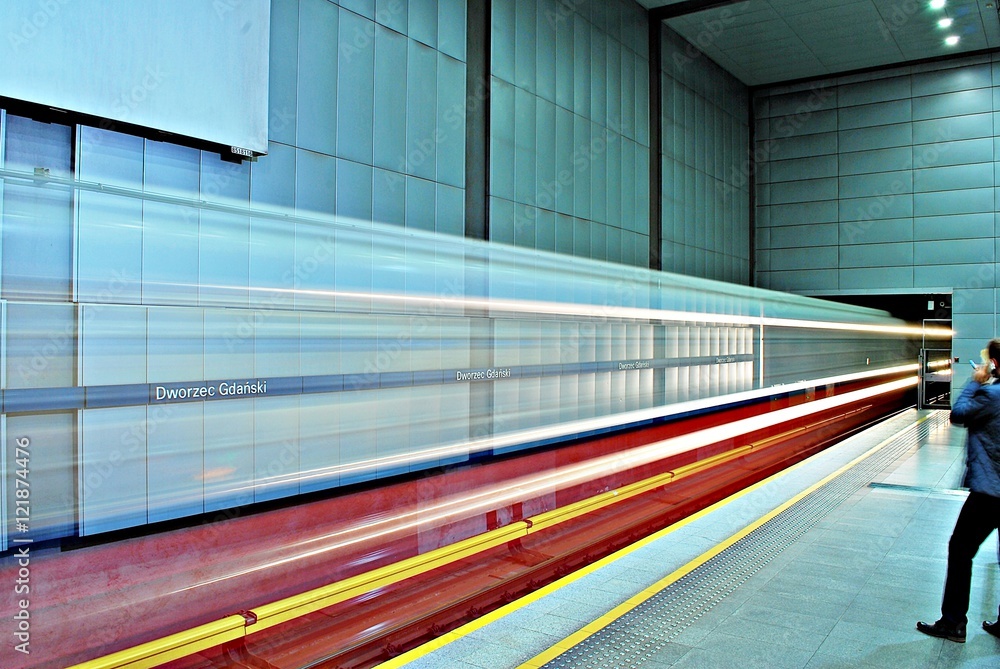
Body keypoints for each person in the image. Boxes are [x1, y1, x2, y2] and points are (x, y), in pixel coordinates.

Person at [917, 339, 1000, 643]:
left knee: (960, 549)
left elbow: (958, 414)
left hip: (990, 491)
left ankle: (953, 622)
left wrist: (974, 381)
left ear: (995, 364)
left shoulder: (992, 394)